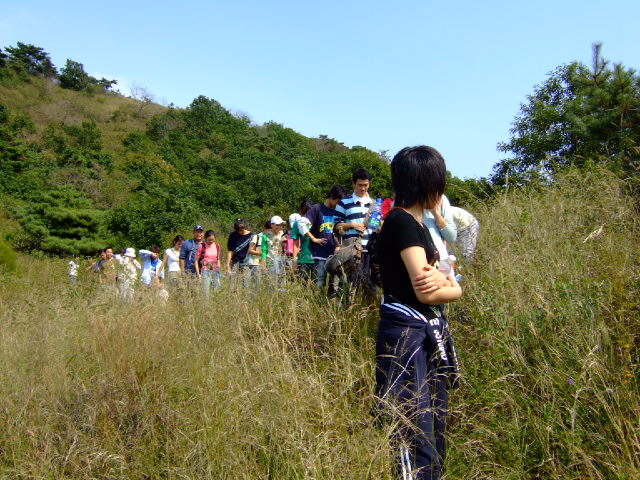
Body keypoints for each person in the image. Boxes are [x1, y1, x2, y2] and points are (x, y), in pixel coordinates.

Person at [375, 146, 462, 480]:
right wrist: (456, 287)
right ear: (427, 183)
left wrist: (446, 281)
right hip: (408, 335)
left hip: (423, 330)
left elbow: (439, 280)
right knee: (414, 422)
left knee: (435, 418)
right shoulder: (402, 222)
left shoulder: (417, 225)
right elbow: (429, 290)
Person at [335, 168, 377, 299]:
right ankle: (352, 307)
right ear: (353, 183)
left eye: (366, 185)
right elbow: (336, 225)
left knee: (371, 285)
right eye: (360, 185)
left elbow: (378, 226)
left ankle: (369, 308)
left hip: (371, 250)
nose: (363, 188)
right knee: (354, 284)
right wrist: (351, 225)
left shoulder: (375, 204)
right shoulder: (344, 203)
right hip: (353, 251)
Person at [304, 185, 346, 296]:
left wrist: (338, 246)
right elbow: (301, 223)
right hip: (320, 253)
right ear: (331, 197)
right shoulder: (317, 208)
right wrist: (313, 239)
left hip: (335, 254)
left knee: (339, 280)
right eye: (337, 201)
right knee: (320, 281)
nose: (338, 204)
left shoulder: (339, 211)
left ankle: (331, 303)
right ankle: (317, 303)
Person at [422, 194, 457, 264]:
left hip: (441, 261)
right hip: (416, 261)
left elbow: (451, 238)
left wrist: (435, 212)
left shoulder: (440, 198)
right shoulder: (404, 199)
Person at [289, 201, 315, 280]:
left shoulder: (318, 222)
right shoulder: (297, 224)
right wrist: (295, 261)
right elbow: (296, 245)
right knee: (304, 282)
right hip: (304, 258)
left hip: (317, 258)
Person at [226, 219, 253, 290]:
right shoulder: (233, 235)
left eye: (242, 228)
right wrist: (228, 265)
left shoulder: (251, 236)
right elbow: (230, 251)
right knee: (233, 285)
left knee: (246, 285)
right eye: (239, 230)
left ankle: (245, 296)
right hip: (235, 262)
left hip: (247, 263)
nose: (241, 231)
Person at [196, 229, 222, 297]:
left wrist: (219, 268)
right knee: (206, 291)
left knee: (217, 289)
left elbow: (218, 259)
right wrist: (199, 274)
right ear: (205, 238)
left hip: (215, 270)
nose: (211, 241)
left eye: (212, 240)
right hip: (205, 270)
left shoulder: (217, 246)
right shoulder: (201, 246)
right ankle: (206, 302)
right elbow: (196, 261)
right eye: (209, 240)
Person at [265, 216, 288, 287]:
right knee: (272, 282)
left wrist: (283, 242)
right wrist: (263, 262)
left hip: (282, 261)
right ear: (271, 225)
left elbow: (286, 249)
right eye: (277, 225)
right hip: (270, 261)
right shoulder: (266, 236)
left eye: (281, 225)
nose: (279, 227)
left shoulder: (285, 235)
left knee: (282, 282)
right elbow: (264, 251)